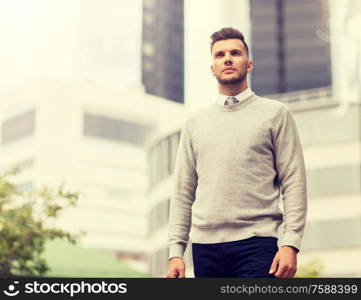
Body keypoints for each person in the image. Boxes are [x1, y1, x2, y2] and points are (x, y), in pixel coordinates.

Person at [166, 27, 307, 278]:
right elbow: (182, 192)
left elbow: (294, 182)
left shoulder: (276, 114)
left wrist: (290, 242)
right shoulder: (195, 123)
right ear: (212, 68)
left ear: (249, 64)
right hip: (204, 248)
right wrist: (176, 251)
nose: (227, 59)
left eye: (235, 53)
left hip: (257, 244)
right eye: (219, 55)